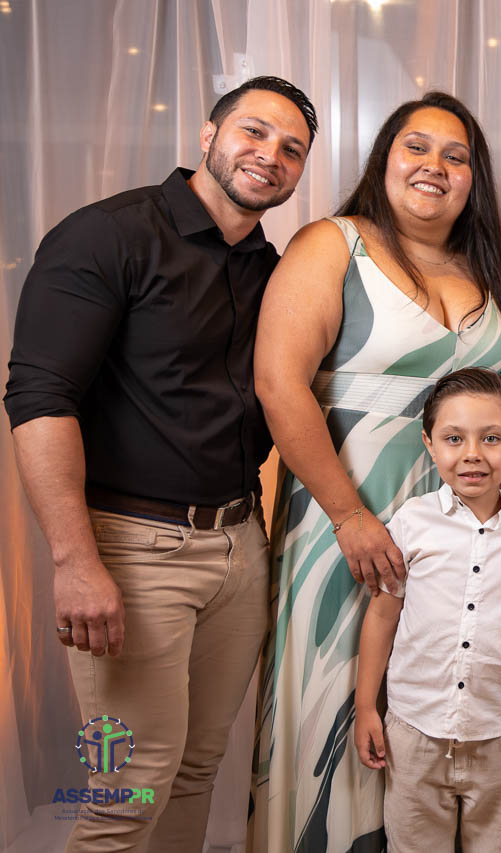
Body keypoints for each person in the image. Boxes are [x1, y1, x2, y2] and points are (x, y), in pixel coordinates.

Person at [4, 76, 315, 850]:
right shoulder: (110, 235)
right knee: (127, 787)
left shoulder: (271, 269)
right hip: (132, 548)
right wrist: (75, 560)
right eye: (253, 131)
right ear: (208, 135)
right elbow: (39, 396)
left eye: (292, 149)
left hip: (240, 544)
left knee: (196, 768)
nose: (270, 155)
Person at [251, 92, 501, 852]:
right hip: (344, 517)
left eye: (456, 156)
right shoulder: (332, 244)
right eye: (417, 147)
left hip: (458, 530)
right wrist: (349, 516)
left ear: (474, 179)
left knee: (443, 703)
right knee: (335, 707)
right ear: (384, 159)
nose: (434, 165)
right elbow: (279, 383)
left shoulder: (488, 269)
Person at [352, 368, 501, 852]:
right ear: (429, 444)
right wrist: (366, 706)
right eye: (454, 438)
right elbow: (383, 616)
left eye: (491, 438)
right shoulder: (412, 522)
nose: (472, 453)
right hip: (414, 731)